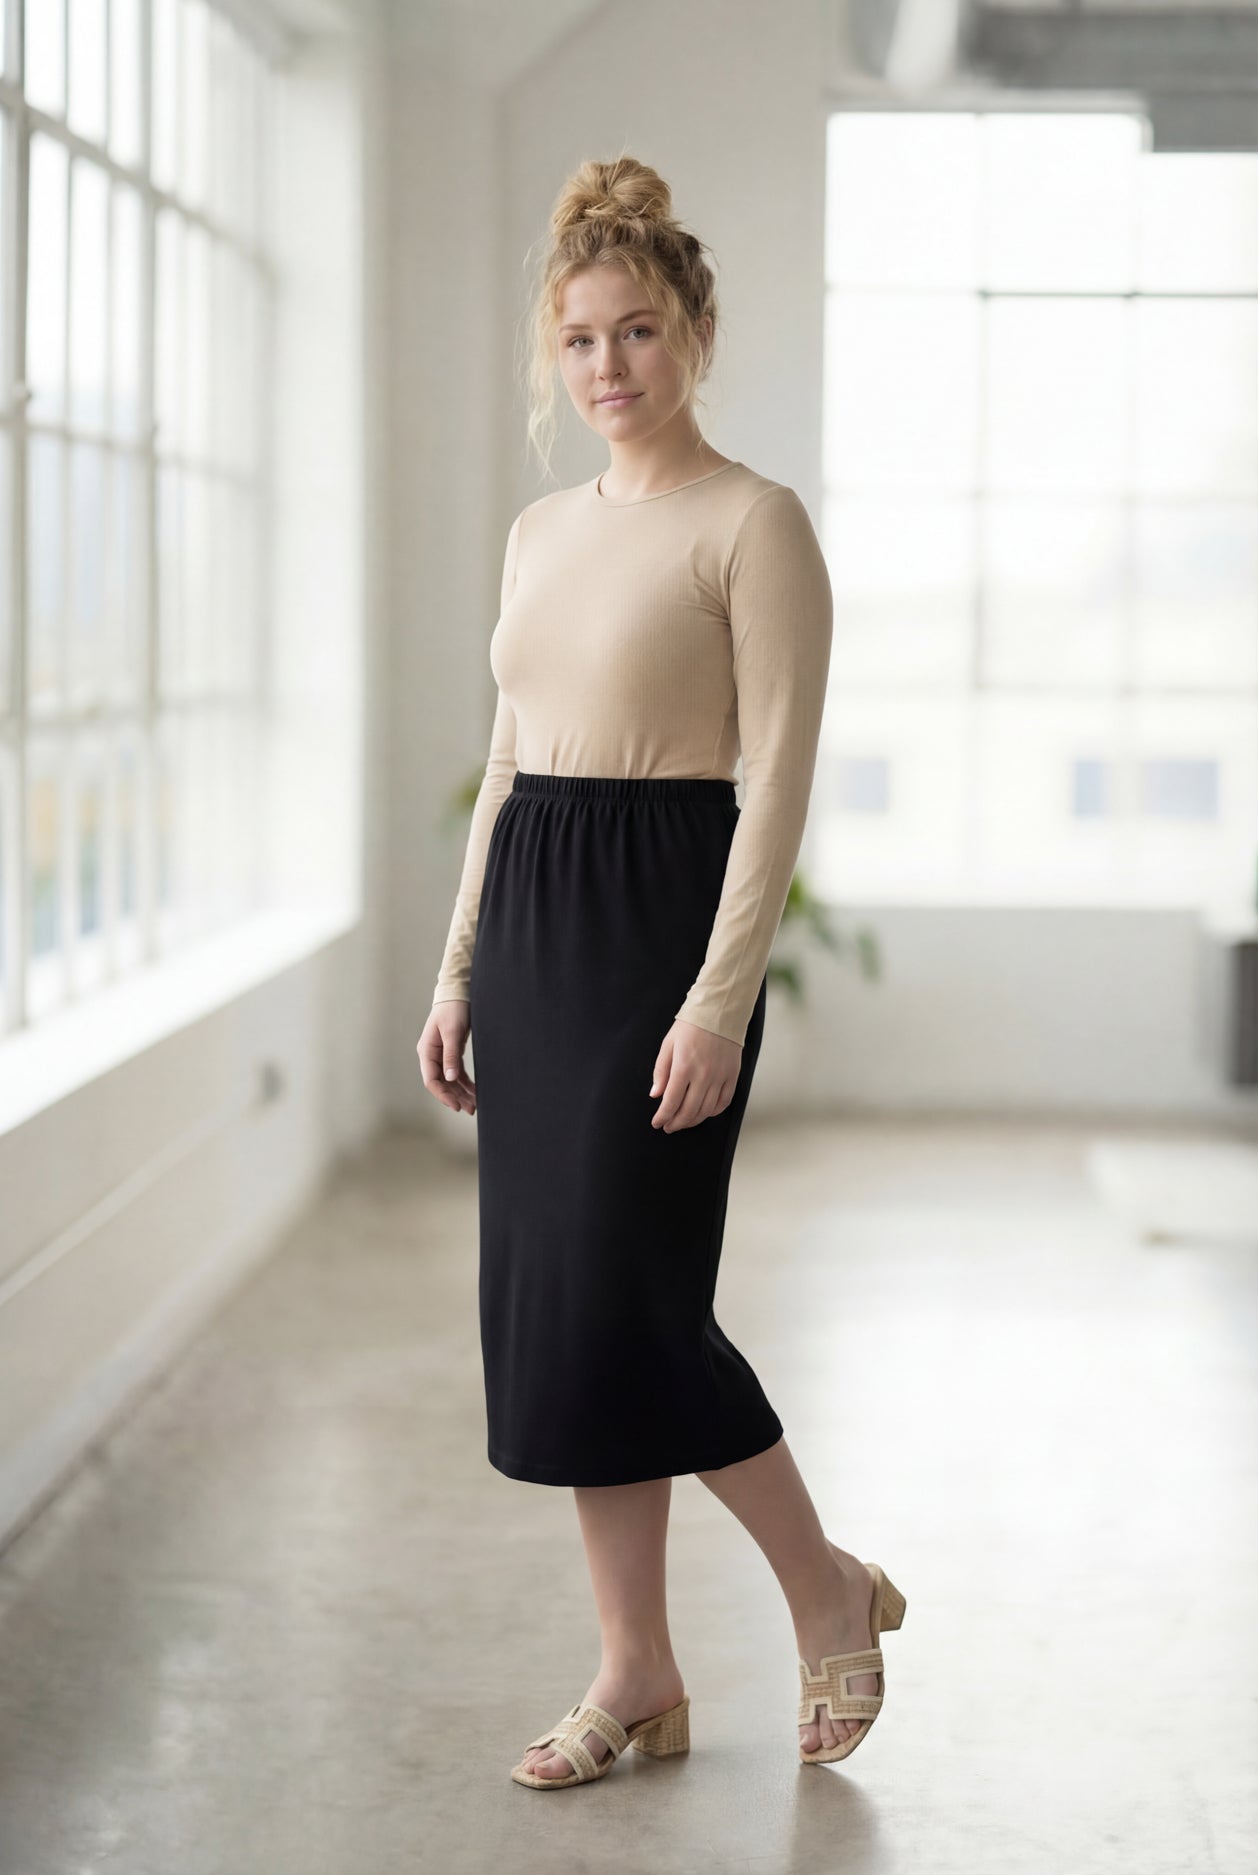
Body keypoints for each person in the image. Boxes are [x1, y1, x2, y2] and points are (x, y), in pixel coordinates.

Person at [417, 156, 905, 1789]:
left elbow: (774, 783)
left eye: (637, 330)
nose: (608, 364)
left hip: (660, 919)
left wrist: (715, 1000)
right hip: (540, 924)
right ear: (551, 359)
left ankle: (821, 1585)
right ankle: (635, 1674)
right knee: (560, 1322)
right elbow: (504, 760)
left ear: (695, 329)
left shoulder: (754, 524)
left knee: (636, 1302)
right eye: (578, 340)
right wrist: (458, 968)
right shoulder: (539, 530)